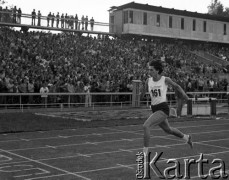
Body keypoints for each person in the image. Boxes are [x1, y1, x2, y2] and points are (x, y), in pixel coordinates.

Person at [141, 60, 193, 156]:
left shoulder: (165, 79)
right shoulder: (148, 80)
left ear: (157, 70)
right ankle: (186, 137)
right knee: (168, 130)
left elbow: (176, 86)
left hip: (163, 108)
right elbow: (143, 92)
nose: (149, 71)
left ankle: (145, 152)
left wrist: (185, 96)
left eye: (151, 70)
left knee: (146, 126)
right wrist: (140, 96)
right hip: (154, 108)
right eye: (149, 70)